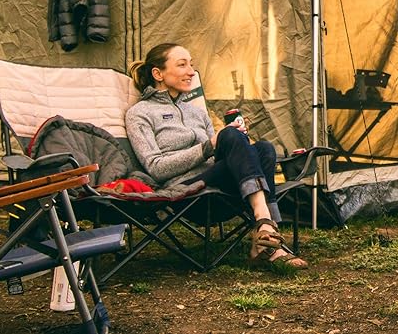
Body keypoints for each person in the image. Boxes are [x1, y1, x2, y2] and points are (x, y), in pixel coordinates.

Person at [126, 42, 306, 268]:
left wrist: (238, 144)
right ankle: (267, 230)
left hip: (221, 188)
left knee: (264, 148)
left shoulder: (196, 112)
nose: (191, 72)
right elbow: (156, 168)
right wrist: (209, 146)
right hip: (186, 192)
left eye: (191, 65)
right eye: (182, 65)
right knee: (230, 136)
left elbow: (218, 155)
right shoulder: (139, 114)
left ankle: (264, 232)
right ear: (157, 73)